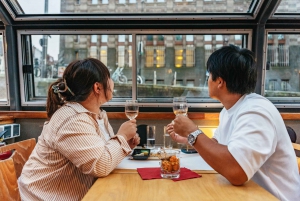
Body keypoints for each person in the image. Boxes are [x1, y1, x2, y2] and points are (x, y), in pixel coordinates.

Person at [167, 45, 300, 201]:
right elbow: (217, 145)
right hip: (247, 195)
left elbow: (237, 172)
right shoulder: (230, 110)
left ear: (220, 82)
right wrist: (189, 139)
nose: (207, 80)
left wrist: (193, 132)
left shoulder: (256, 112)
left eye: (209, 75)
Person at [18, 58, 140, 200]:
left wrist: (124, 146)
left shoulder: (97, 115)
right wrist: (122, 138)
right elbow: (100, 166)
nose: (113, 83)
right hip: (43, 197)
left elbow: (103, 153)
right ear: (97, 87)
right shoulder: (72, 119)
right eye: (109, 78)